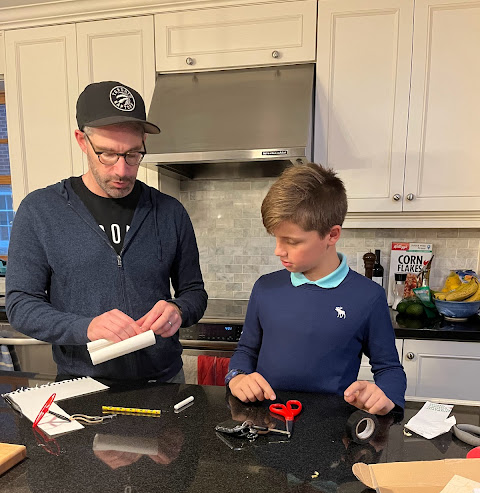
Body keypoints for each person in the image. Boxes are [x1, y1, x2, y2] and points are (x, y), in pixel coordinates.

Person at [6, 81, 207, 383]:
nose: (122, 171)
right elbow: (21, 305)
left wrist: (178, 309)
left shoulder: (169, 212)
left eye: (133, 154)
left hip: (164, 382)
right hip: (81, 385)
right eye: (108, 154)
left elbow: (194, 293)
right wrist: (85, 327)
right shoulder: (40, 210)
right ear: (82, 140)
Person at [225, 163, 406, 415]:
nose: (278, 250)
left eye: (292, 241)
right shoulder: (265, 287)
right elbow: (246, 350)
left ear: (332, 235)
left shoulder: (368, 296)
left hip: (332, 425)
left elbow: (389, 368)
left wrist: (385, 396)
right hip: (265, 421)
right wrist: (236, 377)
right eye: (276, 238)